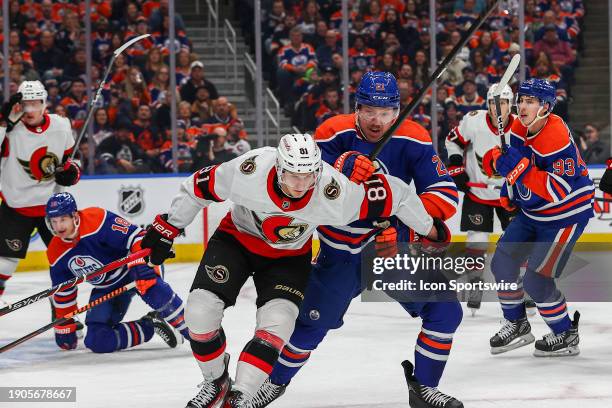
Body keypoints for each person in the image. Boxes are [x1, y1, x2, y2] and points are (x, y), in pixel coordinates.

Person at [139, 133, 450, 408]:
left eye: (308, 175)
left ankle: (242, 397)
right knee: (199, 311)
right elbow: (198, 186)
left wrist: (430, 229)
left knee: (278, 324)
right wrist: (168, 226)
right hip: (236, 241)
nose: (301, 185)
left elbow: (398, 195)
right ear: (277, 168)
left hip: (287, 257)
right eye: (293, 176)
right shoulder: (251, 169)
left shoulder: (334, 192)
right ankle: (216, 382)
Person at [251, 72, 463, 408]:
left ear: (396, 111)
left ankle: (424, 388)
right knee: (310, 326)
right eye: (369, 111)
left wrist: (402, 225)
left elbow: (445, 196)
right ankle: (273, 383)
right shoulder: (332, 132)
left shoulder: (414, 137)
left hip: (390, 249)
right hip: (341, 252)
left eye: (386, 113)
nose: (377, 120)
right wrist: (339, 170)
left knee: (445, 310)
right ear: (357, 107)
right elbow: (304, 192)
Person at [483, 78, 594, 356]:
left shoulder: (556, 136)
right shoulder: (520, 126)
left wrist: (519, 171)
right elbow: (513, 160)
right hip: (533, 212)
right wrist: (500, 168)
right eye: (521, 100)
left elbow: (557, 190)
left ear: (545, 107)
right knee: (502, 264)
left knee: (537, 281)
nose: (521, 106)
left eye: (529, 101)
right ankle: (517, 323)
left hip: (565, 215)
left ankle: (566, 333)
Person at [45, 192, 189, 352]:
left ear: (74, 216)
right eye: (54, 221)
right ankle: (152, 324)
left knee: (151, 287)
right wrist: (65, 324)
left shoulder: (96, 220)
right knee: (97, 340)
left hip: (133, 269)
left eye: (63, 220)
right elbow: (64, 291)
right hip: (107, 287)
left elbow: (137, 237)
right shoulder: (55, 252)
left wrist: (140, 266)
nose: (59, 227)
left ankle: (199, 335)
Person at [0, 81, 80, 302]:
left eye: (35, 103)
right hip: (16, 206)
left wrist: (72, 172)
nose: (29, 110)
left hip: (53, 208)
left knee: (67, 260)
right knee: (5, 261)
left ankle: (65, 310)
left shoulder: (61, 126)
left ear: (44, 104)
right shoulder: (10, 131)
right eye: (25, 104)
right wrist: (2, 123)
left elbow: (72, 159)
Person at [445, 83, 517, 315]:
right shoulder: (473, 121)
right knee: (477, 239)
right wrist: (456, 166)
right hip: (479, 194)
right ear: (487, 104)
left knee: (518, 241)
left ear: (510, 105)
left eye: (503, 103)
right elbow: (452, 140)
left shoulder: (521, 127)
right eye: (493, 103)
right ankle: (475, 284)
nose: (498, 108)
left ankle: (521, 287)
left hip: (511, 195)